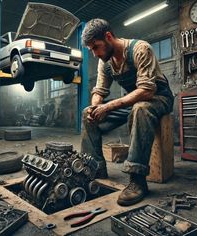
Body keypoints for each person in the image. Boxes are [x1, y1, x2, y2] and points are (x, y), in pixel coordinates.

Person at [80, 19, 174, 206]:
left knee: (140, 109)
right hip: (132, 101)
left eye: (96, 47)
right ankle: (95, 169)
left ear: (108, 37)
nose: (95, 53)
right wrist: (95, 106)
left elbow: (147, 91)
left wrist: (108, 106)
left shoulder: (140, 49)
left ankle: (137, 181)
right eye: (91, 50)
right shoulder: (105, 62)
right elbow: (99, 91)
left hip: (158, 98)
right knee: (87, 113)